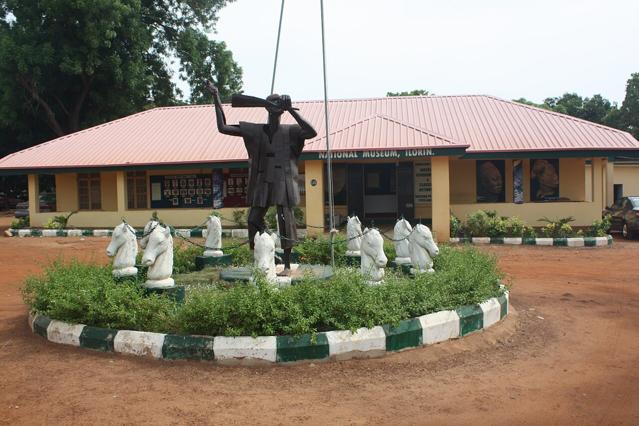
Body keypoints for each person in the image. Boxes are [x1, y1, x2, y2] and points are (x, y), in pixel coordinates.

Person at [205, 82, 317, 276]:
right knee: (253, 219)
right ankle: (268, 254)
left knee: (285, 218)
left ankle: (288, 265)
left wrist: (291, 110)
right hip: (263, 180)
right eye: (272, 103)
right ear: (266, 106)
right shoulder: (255, 131)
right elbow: (222, 127)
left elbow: (311, 132)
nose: (275, 107)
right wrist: (216, 97)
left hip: (283, 179)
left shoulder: (290, 131)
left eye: (278, 104)